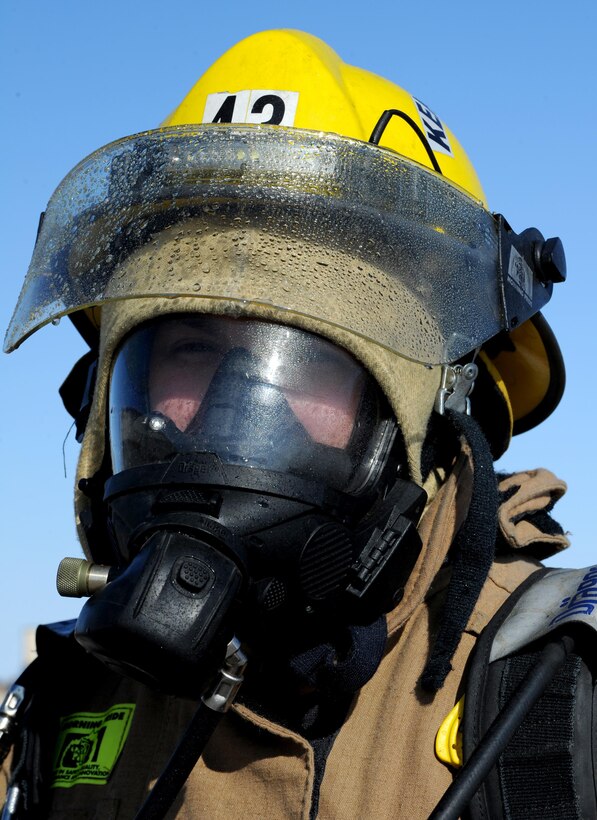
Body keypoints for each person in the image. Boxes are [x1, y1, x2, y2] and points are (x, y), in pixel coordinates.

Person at [0, 29, 583, 820]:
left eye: (303, 362)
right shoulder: (53, 712)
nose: (237, 407)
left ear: (426, 412)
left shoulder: (559, 694)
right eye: (191, 350)